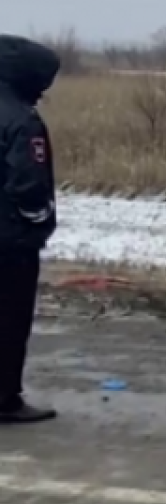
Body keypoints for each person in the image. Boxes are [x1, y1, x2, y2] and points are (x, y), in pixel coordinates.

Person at [0, 34, 61, 425]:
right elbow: (28, 182)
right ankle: (5, 398)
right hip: (9, 239)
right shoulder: (23, 120)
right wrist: (38, 218)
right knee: (9, 317)